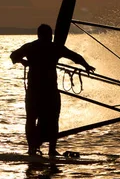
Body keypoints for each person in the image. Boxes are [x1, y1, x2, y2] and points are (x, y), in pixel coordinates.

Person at [10, 24, 95, 156]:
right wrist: (86, 66)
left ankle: (34, 149)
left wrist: (23, 61)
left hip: (36, 92)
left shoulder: (30, 47)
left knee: (34, 119)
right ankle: (49, 150)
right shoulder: (54, 47)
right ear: (48, 35)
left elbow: (13, 56)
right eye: (49, 35)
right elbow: (75, 57)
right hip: (47, 92)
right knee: (49, 119)